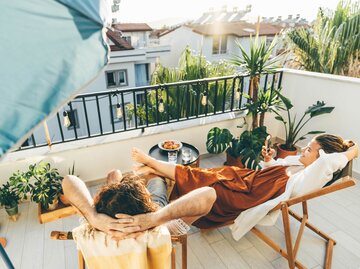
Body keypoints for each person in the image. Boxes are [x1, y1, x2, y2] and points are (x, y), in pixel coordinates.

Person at [128, 134, 358, 239]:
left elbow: (329, 162)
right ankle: (157, 170)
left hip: (246, 197)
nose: (303, 151)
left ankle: (153, 165)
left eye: (310, 149)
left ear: (322, 158)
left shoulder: (312, 175)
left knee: (207, 182)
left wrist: (352, 151)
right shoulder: (299, 163)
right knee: (207, 172)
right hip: (247, 180)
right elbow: (274, 168)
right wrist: (268, 160)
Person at [62, 170, 216, 239]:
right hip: (154, 212)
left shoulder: (92, 231)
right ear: (146, 207)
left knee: (114, 174)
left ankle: (119, 187)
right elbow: (209, 195)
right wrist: (155, 218)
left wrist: (94, 217)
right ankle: (152, 174)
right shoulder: (159, 232)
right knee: (155, 178)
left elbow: (68, 180)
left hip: (112, 215)